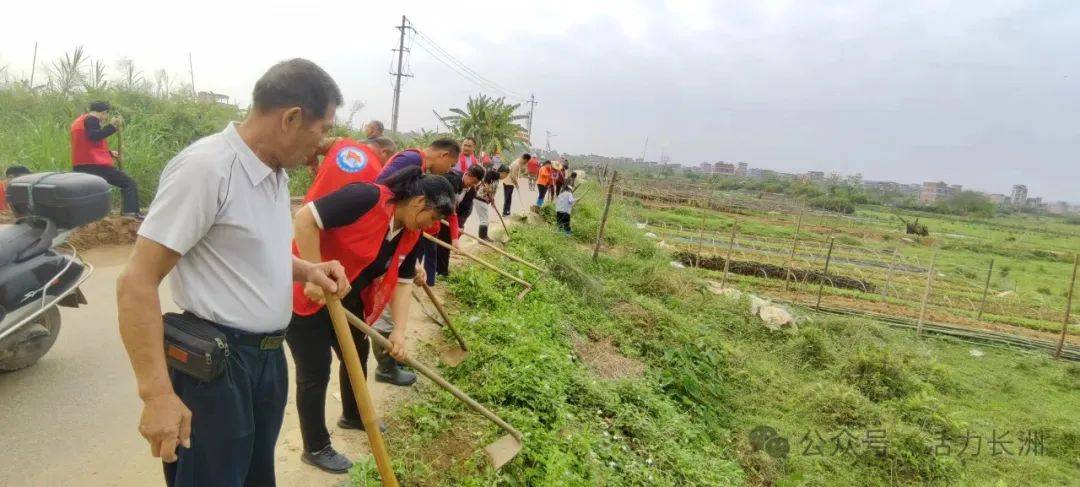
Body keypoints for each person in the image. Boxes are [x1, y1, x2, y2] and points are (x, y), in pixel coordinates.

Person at [116, 58, 350, 487]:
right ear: (291, 118)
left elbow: (252, 255)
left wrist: (308, 271)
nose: (323, 145)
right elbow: (136, 282)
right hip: (218, 367)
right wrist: (157, 395)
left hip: (266, 361)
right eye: (321, 130)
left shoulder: (274, 173)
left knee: (256, 477)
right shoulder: (207, 168)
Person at [288, 167, 455, 473]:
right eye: (432, 218)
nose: (431, 226)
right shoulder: (365, 197)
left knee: (356, 352)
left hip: (345, 292)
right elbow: (305, 218)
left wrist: (400, 332)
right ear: (419, 203)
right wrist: (313, 273)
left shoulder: (410, 232)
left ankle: (353, 415)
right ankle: (315, 446)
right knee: (315, 369)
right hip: (304, 291)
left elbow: (403, 283)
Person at [70, 100, 143, 219]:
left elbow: (87, 145)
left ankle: (88, 216)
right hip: (94, 165)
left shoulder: (78, 122)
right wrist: (112, 126)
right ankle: (130, 213)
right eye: (106, 114)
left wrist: (109, 153)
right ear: (103, 112)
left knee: (90, 192)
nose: (106, 117)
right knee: (128, 183)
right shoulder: (92, 119)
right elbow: (94, 136)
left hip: (80, 165)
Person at [423, 165, 483, 286]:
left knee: (434, 249)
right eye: (473, 181)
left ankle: (432, 279)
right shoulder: (451, 181)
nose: (472, 185)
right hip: (426, 219)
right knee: (420, 249)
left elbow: (455, 212)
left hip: (441, 219)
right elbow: (450, 210)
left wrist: (457, 231)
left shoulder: (470, 190)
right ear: (467, 174)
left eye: (476, 183)